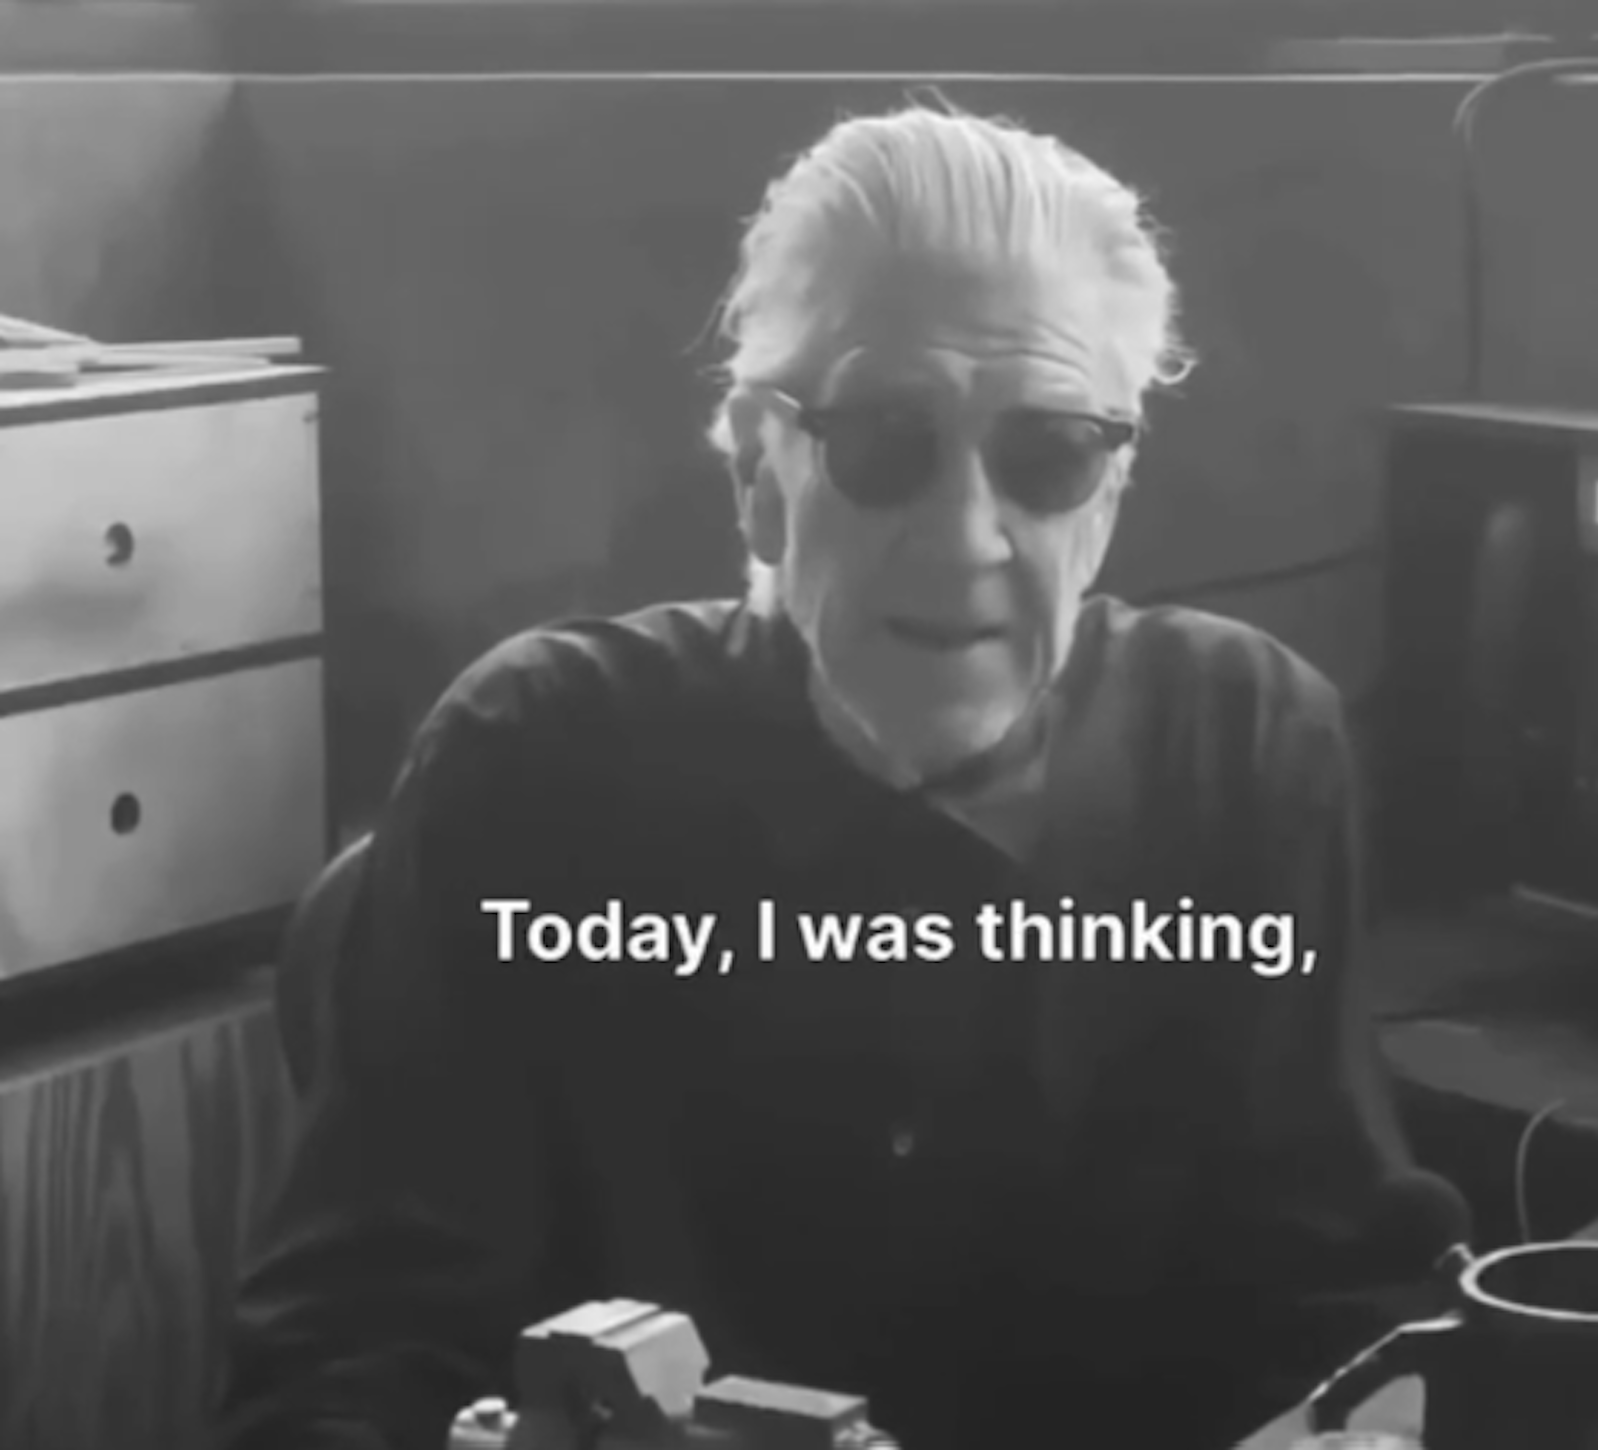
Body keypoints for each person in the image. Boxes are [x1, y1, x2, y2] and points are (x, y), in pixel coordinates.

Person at [215, 99, 1463, 1450]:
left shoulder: (1247, 748)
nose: (966, 535)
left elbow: (1347, 1312)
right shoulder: (532, 759)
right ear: (761, 474)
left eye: (1047, 454)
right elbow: (348, 1360)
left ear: (1108, 494)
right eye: (883, 443)